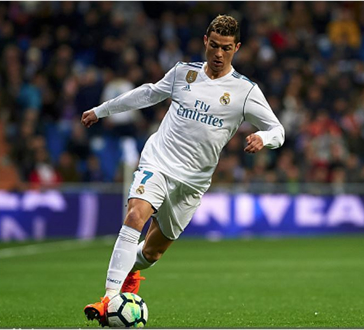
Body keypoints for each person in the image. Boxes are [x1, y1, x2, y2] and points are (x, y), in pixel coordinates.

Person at [82, 15, 285, 326]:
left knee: (151, 254)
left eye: (227, 49)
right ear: (205, 41)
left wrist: (264, 137)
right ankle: (109, 298)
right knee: (136, 214)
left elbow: (278, 130)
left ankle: (132, 270)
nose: (219, 54)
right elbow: (148, 93)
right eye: (214, 46)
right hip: (158, 162)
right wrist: (101, 110)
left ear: (237, 48)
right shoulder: (183, 73)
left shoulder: (245, 92)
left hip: (192, 183)